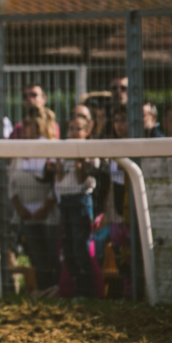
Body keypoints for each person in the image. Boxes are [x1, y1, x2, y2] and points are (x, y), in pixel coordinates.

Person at [9, 108, 59, 292]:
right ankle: (43, 289)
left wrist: (46, 207)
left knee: (52, 253)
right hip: (25, 211)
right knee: (36, 256)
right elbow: (11, 182)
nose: (24, 128)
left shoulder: (51, 147)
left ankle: (57, 289)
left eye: (29, 124)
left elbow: (57, 182)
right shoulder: (20, 148)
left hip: (49, 212)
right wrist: (18, 206)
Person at [55, 114, 97, 299]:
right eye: (71, 128)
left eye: (78, 128)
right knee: (69, 250)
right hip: (65, 201)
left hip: (81, 202)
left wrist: (78, 156)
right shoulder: (64, 148)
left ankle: (85, 291)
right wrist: (58, 161)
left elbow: (81, 178)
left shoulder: (92, 151)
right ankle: (74, 288)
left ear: (87, 131)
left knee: (80, 248)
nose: (74, 132)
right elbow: (59, 177)